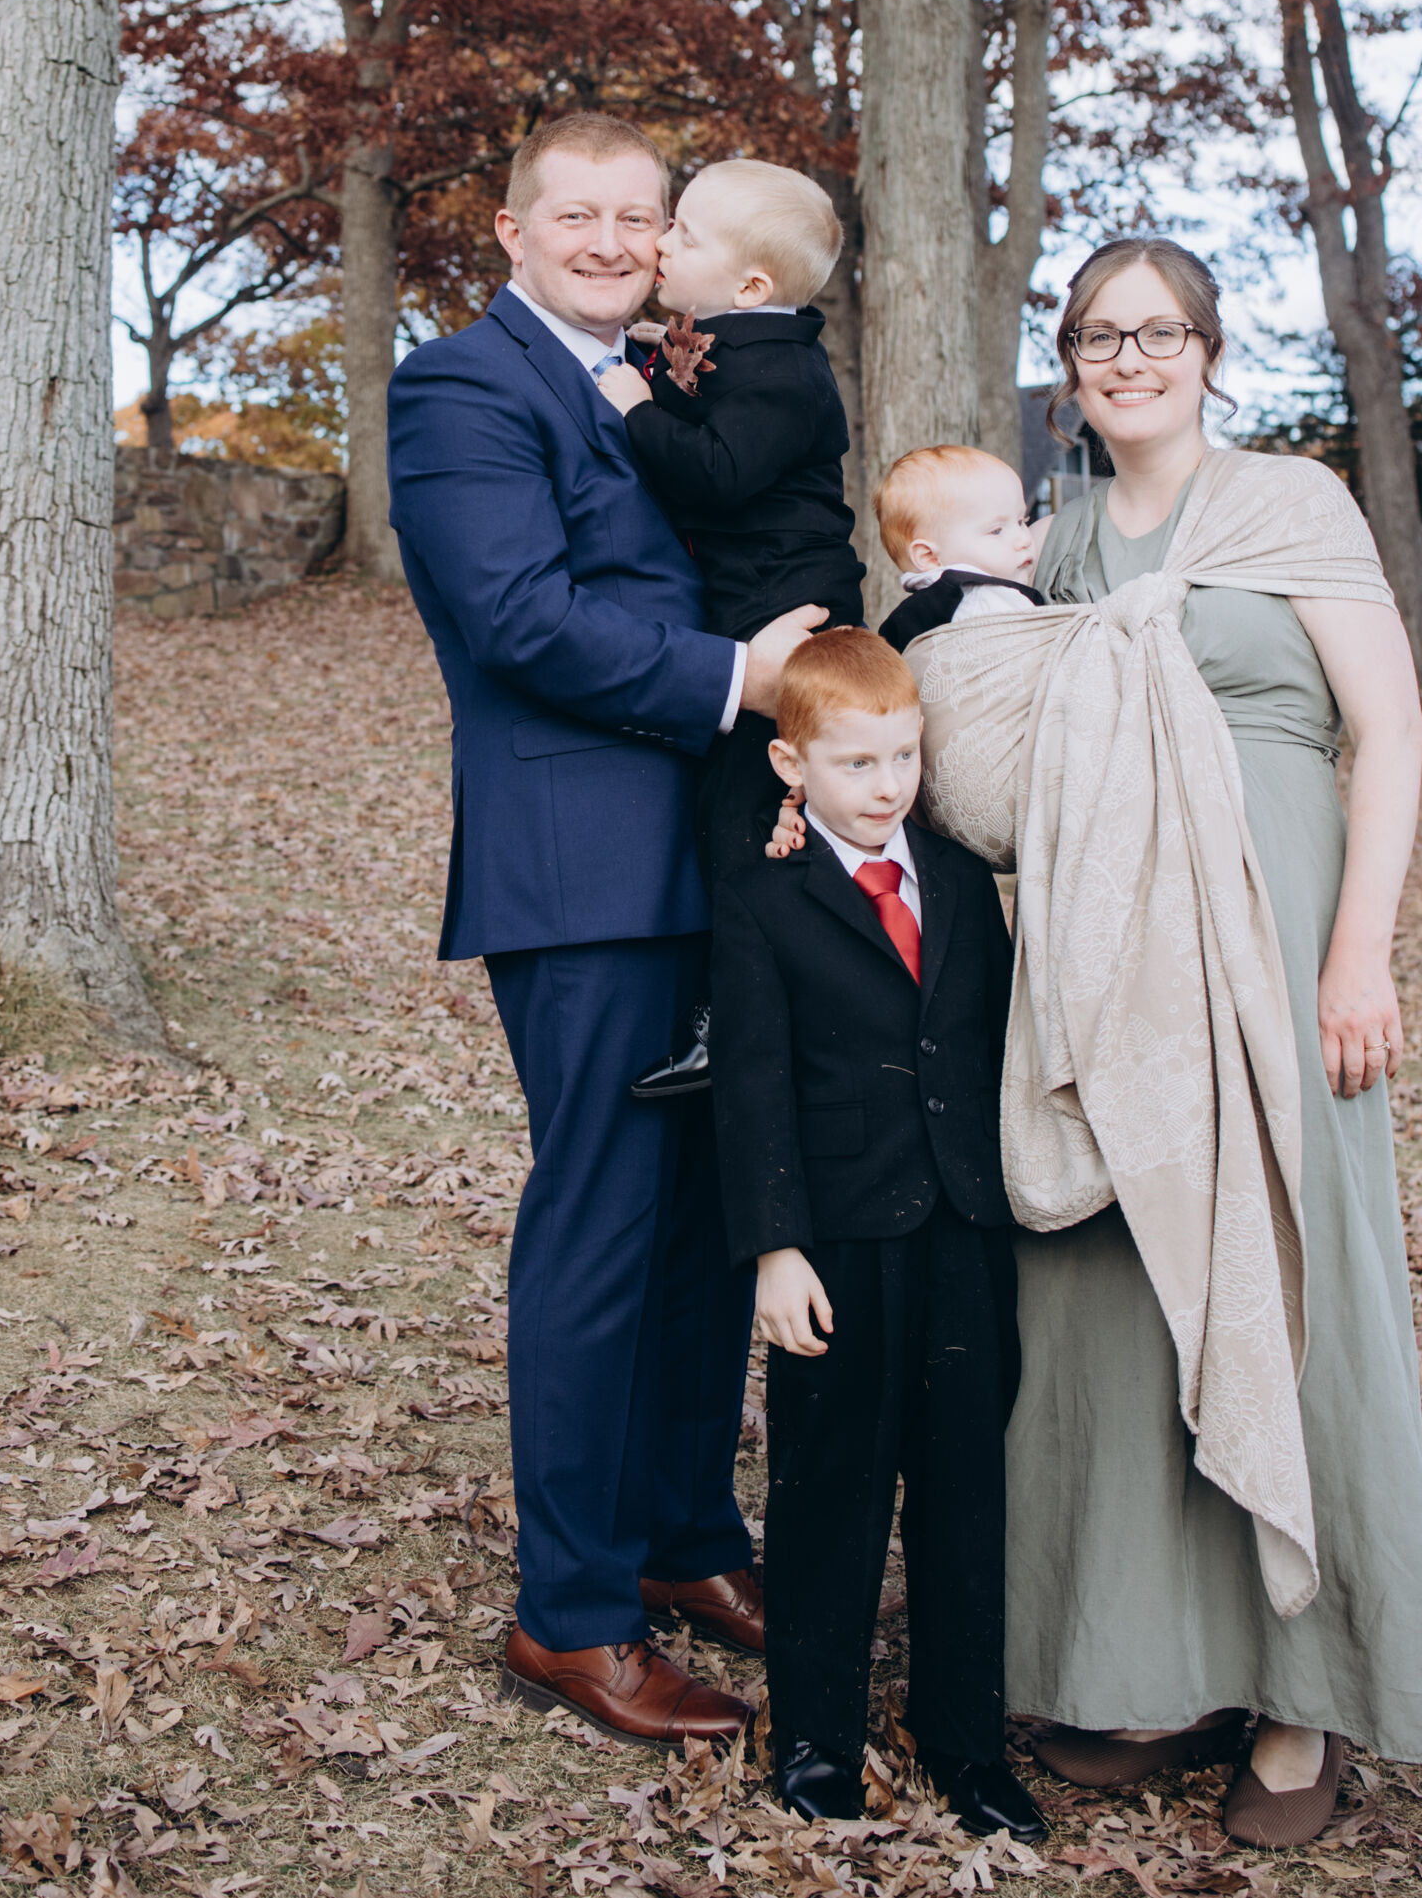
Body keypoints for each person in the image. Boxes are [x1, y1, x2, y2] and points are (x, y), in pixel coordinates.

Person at [1003, 237, 1422, 1849]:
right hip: (1110, 955)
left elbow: (1390, 730)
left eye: (1160, 331)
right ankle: (1149, 1658)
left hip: (1280, 941)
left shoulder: (1292, 504)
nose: (1129, 358)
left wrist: (1359, 953)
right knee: (1118, 1289)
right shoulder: (1058, 536)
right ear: (1070, 367)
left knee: (1287, 1265)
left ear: (1209, 351)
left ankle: (1301, 1689)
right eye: (1098, 335)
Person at [384, 111, 824, 1748]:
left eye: (640, 217)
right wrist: (740, 676)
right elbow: (518, 619)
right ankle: (569, 1615)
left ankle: (683, 1535)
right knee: (603, 1222)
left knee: (714, 1209)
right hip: (583, 871)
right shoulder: (463, 388)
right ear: (512, 230)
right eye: (577, 213)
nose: (612, 241)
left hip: (722, 858)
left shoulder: (672, 381)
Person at [711, 629, 1045, 1845]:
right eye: (857, 762)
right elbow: (751, 1086)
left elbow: (995, 1040)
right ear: (792, 765)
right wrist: (775, 1248)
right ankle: (816, 1740)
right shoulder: (762, 898)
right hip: (840, 1246)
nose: (888, 784)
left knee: (964, 1498)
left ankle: (967, 1744)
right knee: (831, 1494)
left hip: (964, 1233)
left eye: (904, 756)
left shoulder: (957, 880)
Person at [593, 157, 862, 1101]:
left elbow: (715, 473)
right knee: (734, 810)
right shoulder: (737, 344)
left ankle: (743, 1019)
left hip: (790, 610)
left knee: (751, 817)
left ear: (750, 286)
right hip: (745, 601)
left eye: (684, 232)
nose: (660, 240)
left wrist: (636, 407)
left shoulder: (785, 371)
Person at [872, 445, 1045, 660]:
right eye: (996, 531)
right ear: (929, 557)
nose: (1024, 539)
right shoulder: (985, 602)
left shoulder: (911, 618)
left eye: (1021, 521)